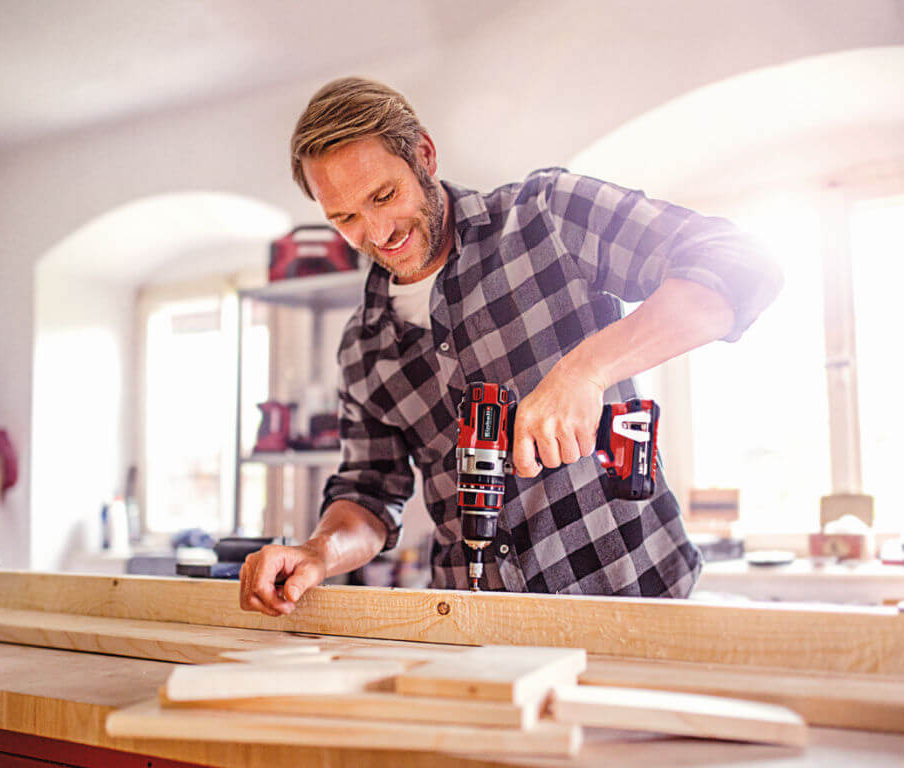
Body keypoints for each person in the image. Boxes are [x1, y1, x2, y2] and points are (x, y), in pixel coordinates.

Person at [239, 77, 781, 616]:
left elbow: (740, 264)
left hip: (637, 603)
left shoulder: (546, 217)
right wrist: (316, 551)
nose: (377, 232)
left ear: (424, 155)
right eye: (346, 219)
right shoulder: (363, 345)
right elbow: (369, 493)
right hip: (475, 627)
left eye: (384, 196)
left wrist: (587, 370)